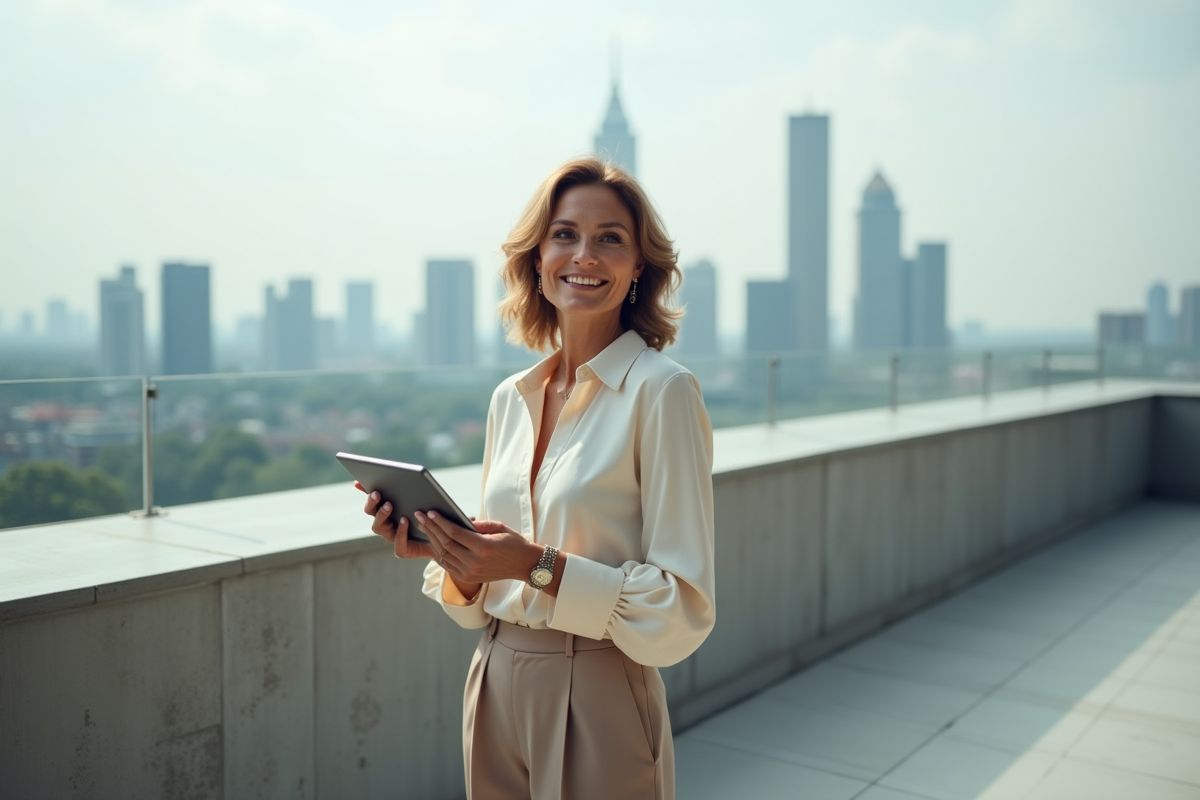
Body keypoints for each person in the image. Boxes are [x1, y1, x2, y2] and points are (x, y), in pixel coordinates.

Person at [361, 156, 715, 799]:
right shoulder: (510, 398)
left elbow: (682, 611)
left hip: (601, 685)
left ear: (639, 267)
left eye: (611, 238)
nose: (584, 254)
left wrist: (535, 566)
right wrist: (458, 560)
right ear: (537, 257)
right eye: (564, 234)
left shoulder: (663, 393)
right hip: (494, 678)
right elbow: (485, 591)